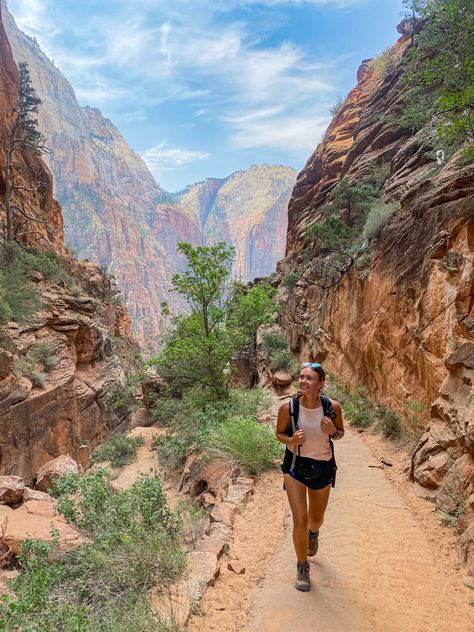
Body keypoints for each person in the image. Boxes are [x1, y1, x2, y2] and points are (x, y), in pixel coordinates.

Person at [276, 362, 345, 591]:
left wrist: (332, 432)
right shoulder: (289, 408)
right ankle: (302, 567)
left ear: (321, 384)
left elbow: (340, 432)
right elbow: (279, 434)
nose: (303, 381)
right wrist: (291, 441)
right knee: (299, 519)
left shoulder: (332, 407)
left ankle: (313, 533)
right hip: (295, 466)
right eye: (301, 377)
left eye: (309, 378)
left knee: (315, 519)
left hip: (323, 467)